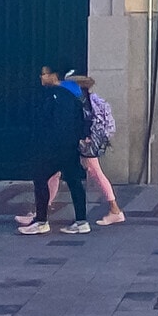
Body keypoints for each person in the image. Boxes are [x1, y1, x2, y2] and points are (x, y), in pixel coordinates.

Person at [18, 72, 125, 227]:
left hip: (84, 143)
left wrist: (84, 136)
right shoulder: (86, 98)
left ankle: (114, 210)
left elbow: (85, 120)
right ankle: (41, 212)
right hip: (83, 141)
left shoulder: (82, 100)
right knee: (54, 176)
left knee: (93, 173)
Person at [20, 65, 90, 236]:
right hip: (70, 146)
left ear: (53, 75)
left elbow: (44, 122)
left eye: (44, 74)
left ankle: (42, 221)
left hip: (53, 148)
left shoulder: (51, 96)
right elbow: (81, 119)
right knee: (74, 182)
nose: (41, 77)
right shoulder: (71, 95)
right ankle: (82, 220)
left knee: (40, 177)